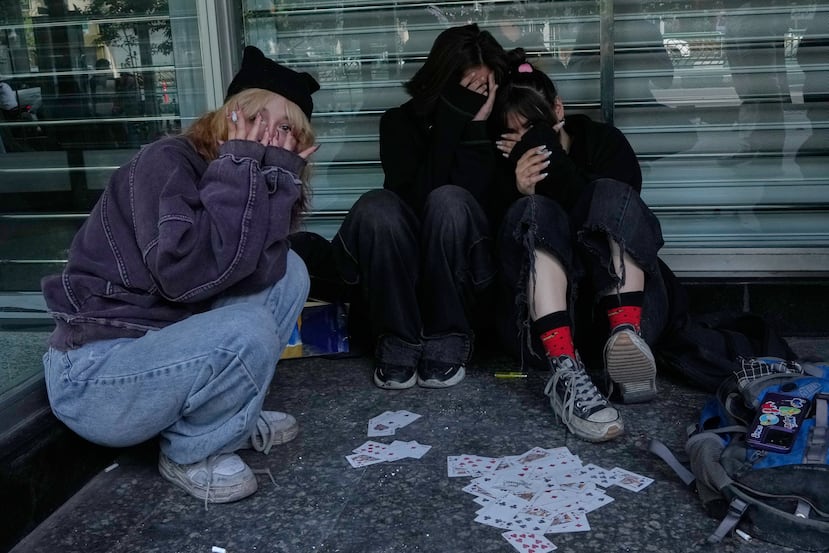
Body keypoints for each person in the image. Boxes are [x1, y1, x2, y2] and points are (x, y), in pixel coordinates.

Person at [41, 45, 320, 505]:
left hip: (161, 349)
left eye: (286, 128)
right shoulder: (166, 161)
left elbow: (257, 272)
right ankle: (192, 452)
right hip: (96, 374)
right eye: (256, 118)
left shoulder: (247, 172)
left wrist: (273, 187)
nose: (269, 135)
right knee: (244, 329)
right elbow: (183, 276)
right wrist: (241, 168)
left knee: (289, 270)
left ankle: (229, 419)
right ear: (228, 116)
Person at [492, 50, 670, 443]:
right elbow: (500, 255)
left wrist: (550, 154)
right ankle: (567, 372)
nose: (529, 145)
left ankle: (626, 339)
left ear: (559, 109)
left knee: (605, 191)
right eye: (517, 136)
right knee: (533, 209)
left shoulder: (603, 142)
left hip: (630, 315)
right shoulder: (502, 163)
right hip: (547, 334)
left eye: (534, 130)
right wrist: (516, 189)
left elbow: (625, 222)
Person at [329, 24, 507, 389]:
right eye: (470, 90)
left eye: (486, 89)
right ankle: (399, 341)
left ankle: (448, 337)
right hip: (402, 274)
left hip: (470, 279)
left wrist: (474, 130)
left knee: (451, 201)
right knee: (377, 206)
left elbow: (491, 206)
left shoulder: (497, 123)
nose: (480, 98)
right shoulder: (398, 123)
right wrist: (448, 125)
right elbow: (412, 200)